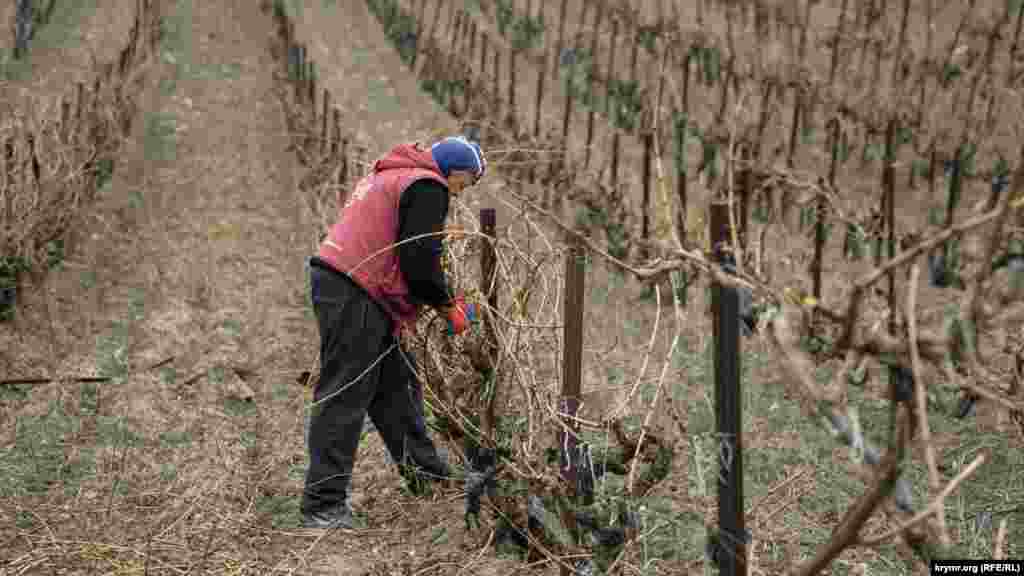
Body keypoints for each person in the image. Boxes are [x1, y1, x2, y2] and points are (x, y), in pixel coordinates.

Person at [301, 135, 487, 529]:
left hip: (347, 283)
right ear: (455, 172)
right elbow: (419, 259)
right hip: (356, 290)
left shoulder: (395, 175)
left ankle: (428, 478)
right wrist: (447, 305)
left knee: (396, 388)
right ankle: (322, 505)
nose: (460, 195)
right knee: (346, 393)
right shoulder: (427, 185)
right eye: (466, 184)